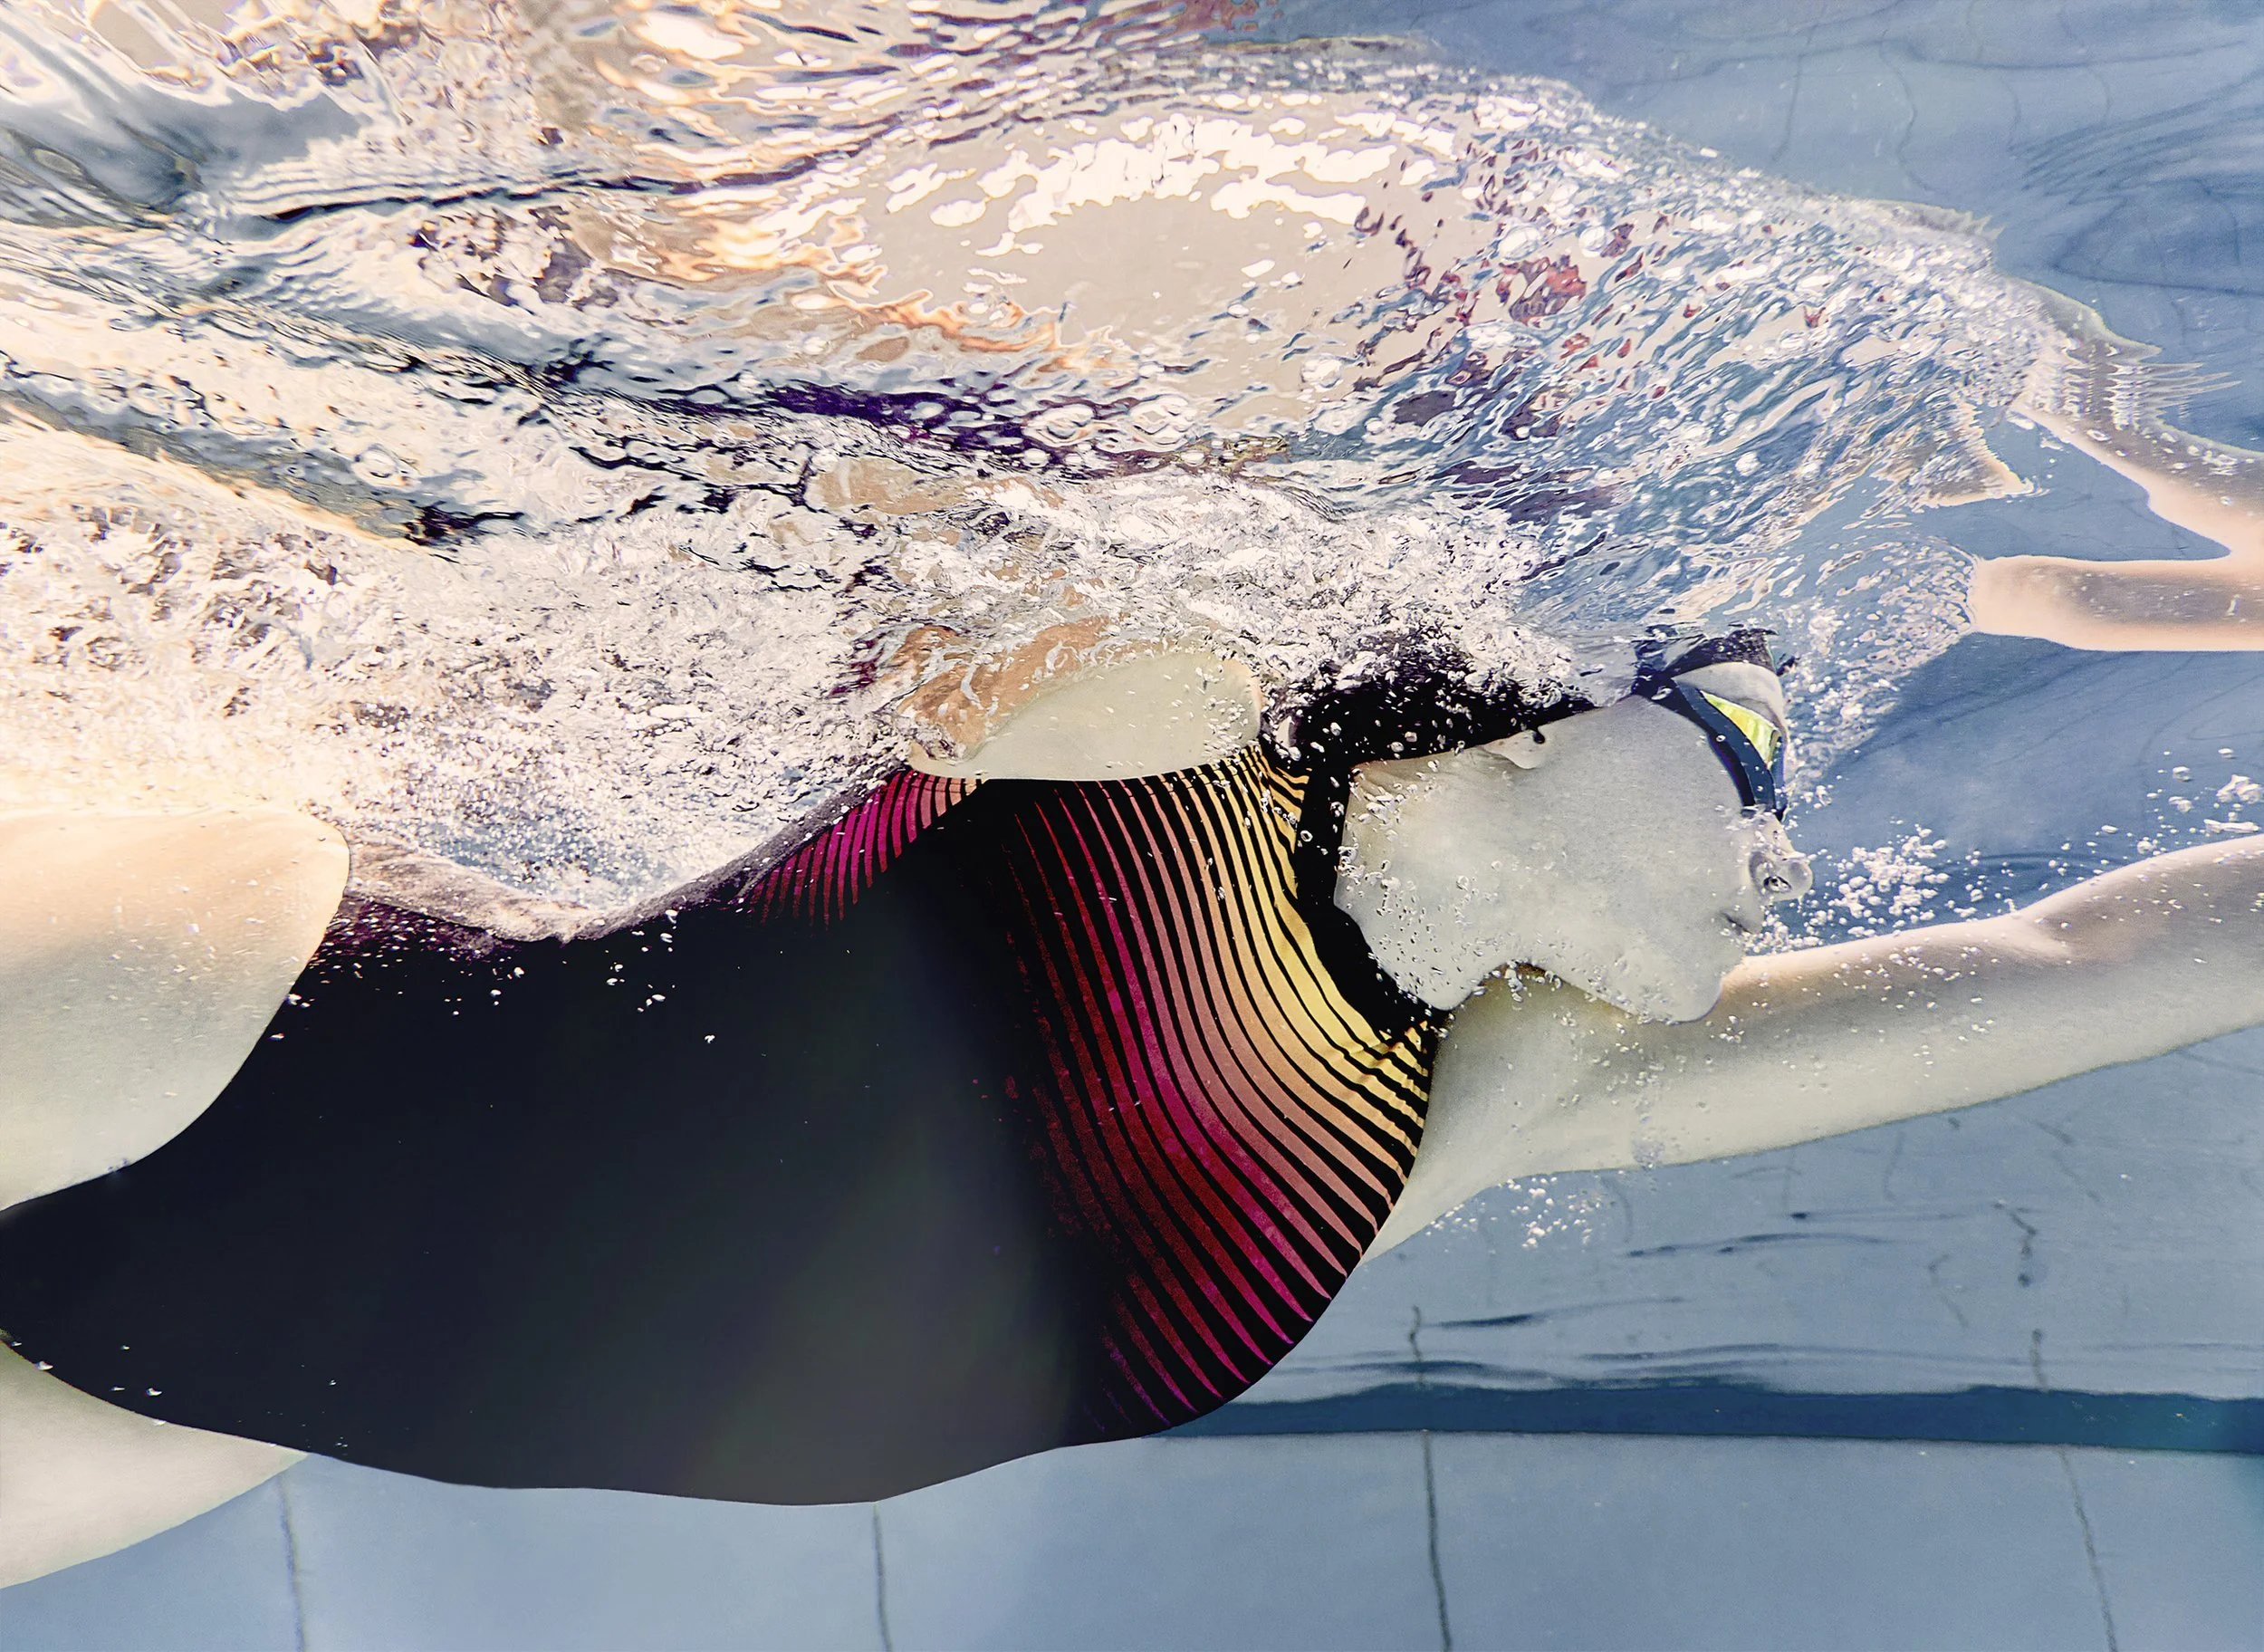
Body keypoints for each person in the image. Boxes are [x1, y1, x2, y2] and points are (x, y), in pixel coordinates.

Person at [4, 631, 2261, 1587]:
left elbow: (2079, 969)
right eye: (1751, 765)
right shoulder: (1179, 715)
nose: (1781, 855)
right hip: (232, 1078)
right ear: (1506, 723)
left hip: (213, 1341)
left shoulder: (1493, 1084)